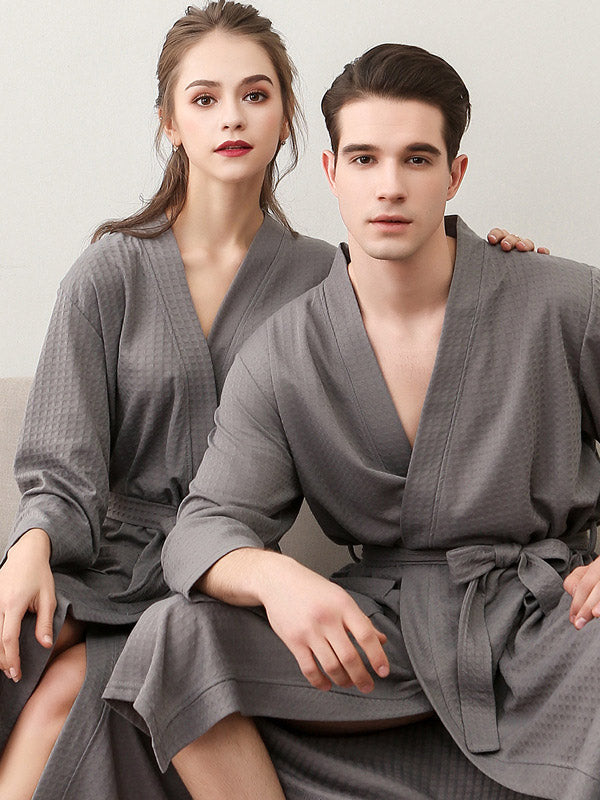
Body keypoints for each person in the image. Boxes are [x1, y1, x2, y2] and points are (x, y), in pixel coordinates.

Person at [0, 4, 543, 800]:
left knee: (70, 695)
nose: (232, 118)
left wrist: (505, 267)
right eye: (205, 98)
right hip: (99, 570)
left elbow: (423, 298)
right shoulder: (108, 272)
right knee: (24, 657)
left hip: (218, 581)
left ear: (287, 117)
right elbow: (61, 466)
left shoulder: (328, 276)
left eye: (255, 95)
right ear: (169, 121)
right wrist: (29, 546)